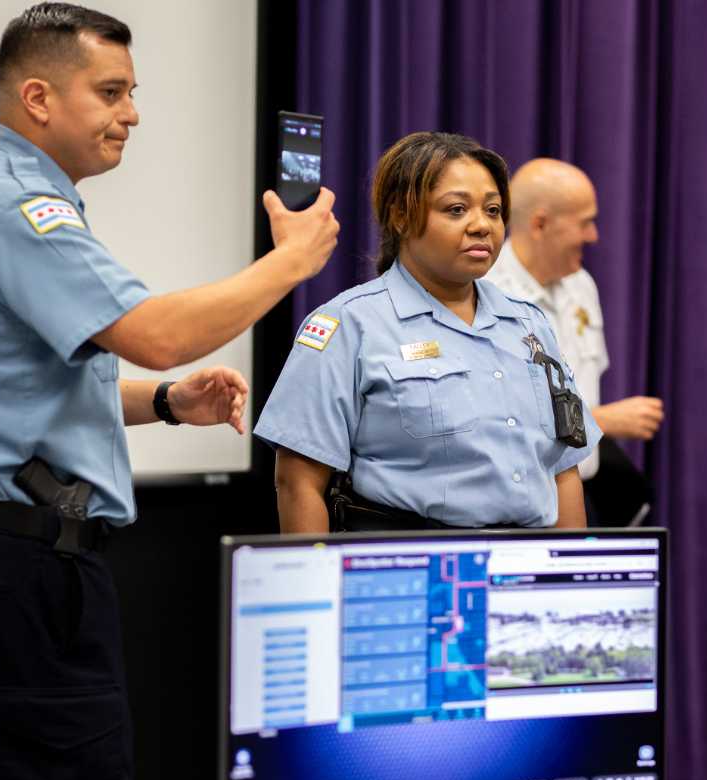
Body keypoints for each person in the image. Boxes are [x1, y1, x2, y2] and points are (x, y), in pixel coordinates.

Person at [0, 5, 339, 780]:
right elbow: (157, 335)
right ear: (37, 98)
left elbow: (34, 387)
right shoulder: (16, 208)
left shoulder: (14, 193)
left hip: (0, 558)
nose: (132, 114)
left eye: (131, 92)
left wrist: (171, 404)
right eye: (110, 92)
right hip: (17, 567)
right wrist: (290, 262)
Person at [256, 132, 601, 533]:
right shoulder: (348, 324)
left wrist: (568, 575)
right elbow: (298, 483)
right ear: (401, 217)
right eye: (456, 209)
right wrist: (315, 587)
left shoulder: (530, 324)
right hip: (410, 567)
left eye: (493, 210)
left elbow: (563, 470)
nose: (481, 225)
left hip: (524, 568)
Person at [484, 159, 661, 525]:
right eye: (584, 223)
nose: (593, 236)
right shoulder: (486, 296)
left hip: (580, 489)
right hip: (521, 504)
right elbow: (498, 420)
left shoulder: (580, 286)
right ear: (540, 225)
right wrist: (602, 420)